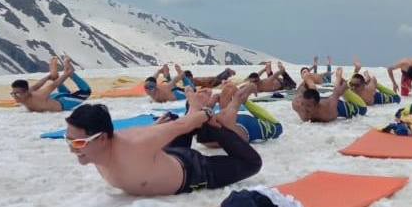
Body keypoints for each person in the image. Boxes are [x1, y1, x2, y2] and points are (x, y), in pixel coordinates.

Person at [63, 87, 262, 196]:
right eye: (69, 141)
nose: (72, 149)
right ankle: (194, 112)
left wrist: (206, 115)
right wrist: (155, 128)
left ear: (102, 138)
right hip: (164, 155)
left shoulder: (136, 144)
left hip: (193, 171)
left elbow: (180, 127)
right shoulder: (99, 149)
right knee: (171, 124)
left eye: (78, 143)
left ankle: (213, 123)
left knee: (252, 163)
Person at [194, 83, 283, 148]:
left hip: (236, 128)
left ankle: (208, 109)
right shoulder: (226, 121)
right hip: (245, 128)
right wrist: (250, 87)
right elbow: (238, 96)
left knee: (228, 96)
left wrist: (211, 100)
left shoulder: (204, 132)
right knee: (278, 127)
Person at [10, 55, 91, 112]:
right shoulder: (28, 92)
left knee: (86, 92)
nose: (15, 96)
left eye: (17, 94)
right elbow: (37, 85)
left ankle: (68, 68)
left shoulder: (39, 95)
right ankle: (55, 75)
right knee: (65, 92)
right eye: (13, 94)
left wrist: (68, 73)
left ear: (26, 92)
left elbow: (54, 84)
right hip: (53, 99)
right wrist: (49, 77)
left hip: (63, 102)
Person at [292, 67, 367, 123]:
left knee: (363, 108)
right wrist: (304, 83)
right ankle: (311, 84)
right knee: (308, 92)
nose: (304, 109)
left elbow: (336, 93)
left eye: (308, 106)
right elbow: (299, 93)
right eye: (302, 104)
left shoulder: (327, 112)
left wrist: (346, 83)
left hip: (356, 107)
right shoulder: (298, 104)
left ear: (316, 105)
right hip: (323, 99)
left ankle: (340, 78)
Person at [144, 64, 235, 103]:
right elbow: (154, 80)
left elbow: (171, 82)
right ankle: (174, 75)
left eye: (150, 87)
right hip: (176, 92)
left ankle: (174, 75)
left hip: (176, 93)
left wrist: (179, 74)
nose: (148, 89)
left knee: (189, 89)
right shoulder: (156, 88)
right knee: (188, 88)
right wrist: (159, 72)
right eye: (147, 87)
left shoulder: (155, 90)